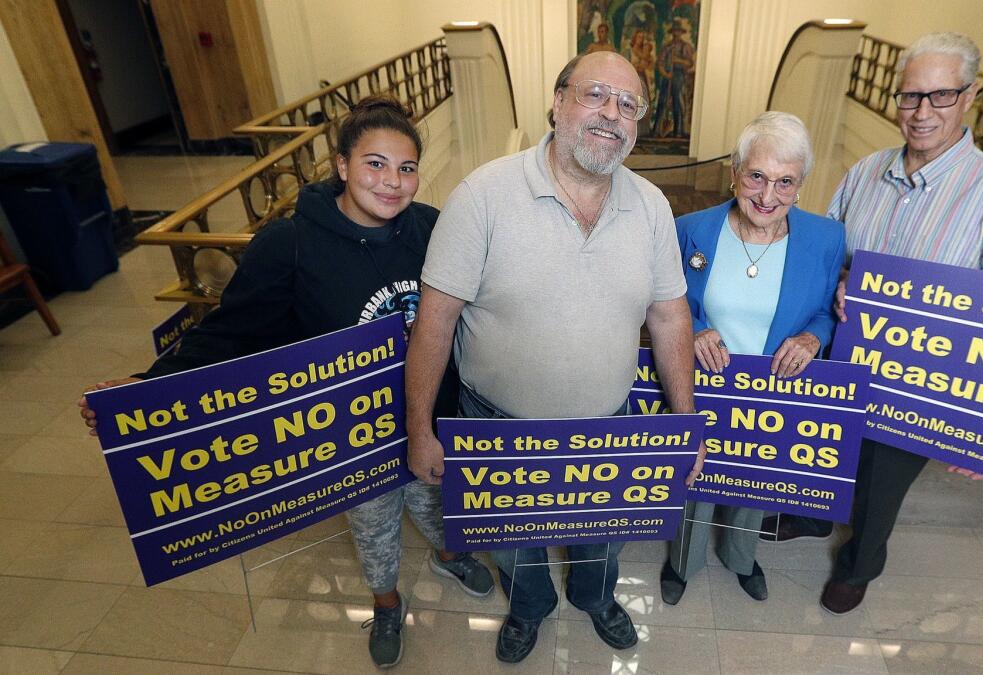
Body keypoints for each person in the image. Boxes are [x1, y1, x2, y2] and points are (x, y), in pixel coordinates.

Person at [77, 95, 495, 669]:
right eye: (375, 163)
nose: (393, 183)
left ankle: (452, 555)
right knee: (374, 530)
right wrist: (147, 386)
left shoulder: (430, 227)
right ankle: (388, 602)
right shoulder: (291, 244)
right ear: (342, 165)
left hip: (426, 415)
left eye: (406, 168)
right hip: (354, 436)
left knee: (440, 500)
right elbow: (230, 333)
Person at [403, 51, 702, 664]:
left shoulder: (651, 206)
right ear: (558, 101)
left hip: (606, 426)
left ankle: (597, 600)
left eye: (628, 105)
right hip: (498, 426)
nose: (610, 115)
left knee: (603, 538)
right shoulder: (482, 196)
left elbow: (670, 315)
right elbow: (436, 321)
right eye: (595, 95)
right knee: (515, 546)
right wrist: (419, 429)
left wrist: (685, 425)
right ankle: (529, 609)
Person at [769, 32, 983, 616]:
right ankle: (812, 518)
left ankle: (861, 563)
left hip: (923, 378)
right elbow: (825, 252)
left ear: (972, 96)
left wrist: (981, 422)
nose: (921, 113)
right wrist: (837, 283)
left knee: (882, 479)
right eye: (910, 96)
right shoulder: (865, 171)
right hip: (844, 354)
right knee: (825, 444)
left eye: (939, 96)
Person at [662, 111, 844, 604]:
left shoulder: (826, 240)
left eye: (785, 182)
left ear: (801, 185)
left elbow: (828, 314)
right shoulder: (690, 230)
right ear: (734, 173)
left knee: (755, 479)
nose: (768, 196)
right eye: (757, 176)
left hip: (775, 387)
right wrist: (695, 329)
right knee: (693, 476)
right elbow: (663, 301)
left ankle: (743, 558)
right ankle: (682, 563)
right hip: (702, 382)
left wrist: (811, 340)